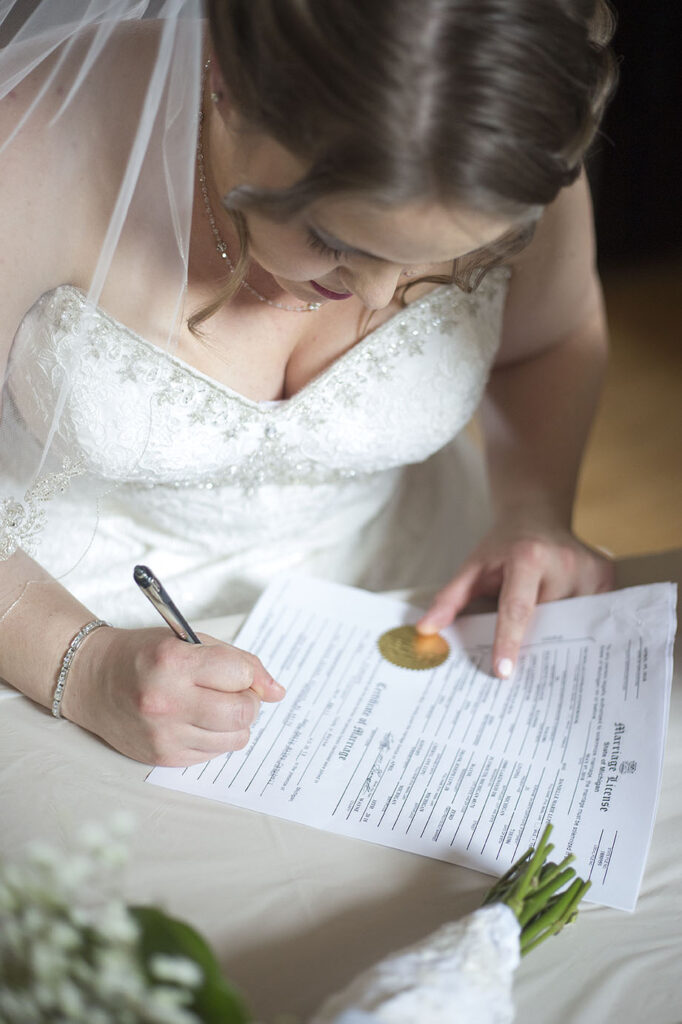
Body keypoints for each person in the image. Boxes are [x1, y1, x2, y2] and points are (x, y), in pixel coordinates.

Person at [0, 0, 617, 766]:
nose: (383, 294)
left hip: (408, 603)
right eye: (331, 240)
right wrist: (80, 665)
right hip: (47, 624)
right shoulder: (28, 139)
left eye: (448, 258)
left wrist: (534, 508)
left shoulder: (497, 137)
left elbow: (549, 339)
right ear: (226, 80)